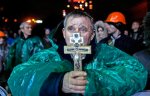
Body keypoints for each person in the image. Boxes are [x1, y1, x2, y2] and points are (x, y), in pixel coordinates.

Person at [8, 11, 147, 96]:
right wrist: (57, 82)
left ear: (92, 35)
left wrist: (93, 82)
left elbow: (137, 72)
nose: (76, 34)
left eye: (83, 29)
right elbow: (18, 77)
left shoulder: (106, 53)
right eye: (71, 28)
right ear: (63, 33)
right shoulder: (47, 56)